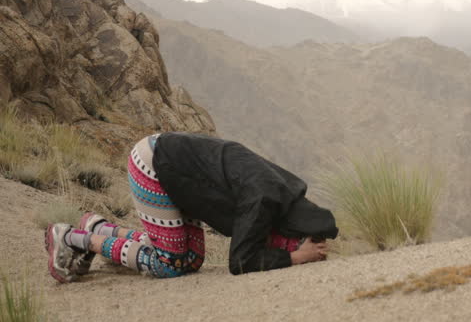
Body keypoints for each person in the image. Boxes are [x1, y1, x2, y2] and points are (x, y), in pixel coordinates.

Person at [45, 133, 337, 283]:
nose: (288, 245)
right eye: (293, 241)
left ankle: (99, 229)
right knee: (169, 264)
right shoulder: (264, 201)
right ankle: (72, 238)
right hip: (154, 167)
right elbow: (240, 262)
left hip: (180, 174)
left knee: (192, 260)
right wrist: (297, 257)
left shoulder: (285, 195)